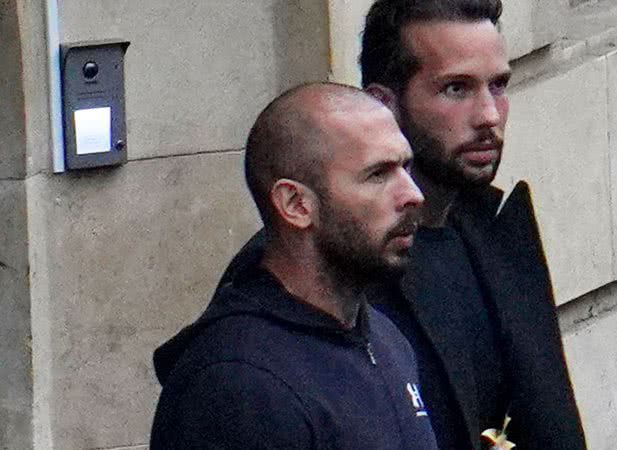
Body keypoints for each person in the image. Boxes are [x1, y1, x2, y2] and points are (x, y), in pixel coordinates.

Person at [216, 0, 587, 448]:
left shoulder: (495, 232)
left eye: (499, 85)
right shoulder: (320, 257)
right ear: (383, 104)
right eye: (456, 89)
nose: (489, 115)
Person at [150, 83, 438, 450]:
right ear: (296, 204)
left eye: (405, 167)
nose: (412, 194)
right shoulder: (239, 385)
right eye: (378, 174)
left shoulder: (385, 340)